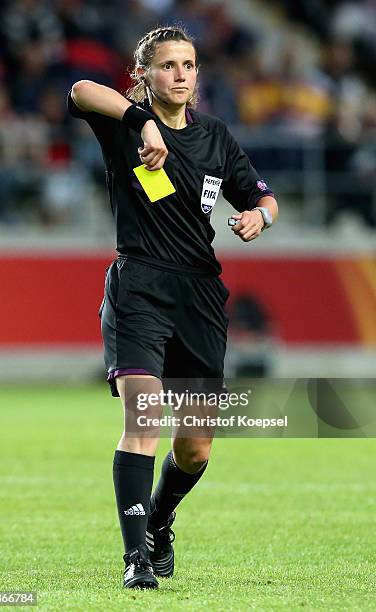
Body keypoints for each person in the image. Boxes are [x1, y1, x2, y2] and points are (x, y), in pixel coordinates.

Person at [68, 25, 278, 590]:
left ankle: (160, 519)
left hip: (200, 297)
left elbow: (261, 193)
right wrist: (141, 122)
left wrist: (261, 215)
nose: (180, 74)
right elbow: (81, 89)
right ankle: (136, 559)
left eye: (188, 65)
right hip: (139, 286)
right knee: (143, 422)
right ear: (145, 75)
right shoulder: (125, 123)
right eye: (168, 66)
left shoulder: (214, 136)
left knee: (195, 446)